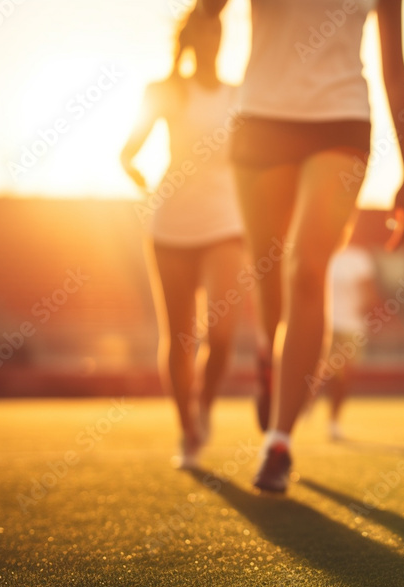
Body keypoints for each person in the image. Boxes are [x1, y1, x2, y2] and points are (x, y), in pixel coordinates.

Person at [200, 0, 404, 493]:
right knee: (268, 273)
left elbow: (394, 65)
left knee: (307, 271)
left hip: (341, 120)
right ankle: (268, 359)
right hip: (262, 121)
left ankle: (278, 442)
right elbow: (209, 9)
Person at [120, 8, 244, 470]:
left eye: (219, 28)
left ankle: (205, 405)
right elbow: (127, 152)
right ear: (192, 37)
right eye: (206, 29)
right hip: (171, 223)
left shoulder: (240, 93)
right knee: (179, 336)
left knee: (224, 333)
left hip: (227, 223)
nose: (213, 37)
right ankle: (187, 429)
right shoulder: (163, 91)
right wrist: (140, 177)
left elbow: (255, 161)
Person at [321, 243, 378, 441]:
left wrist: (367, 306)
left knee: (343, 377)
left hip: (351, 327)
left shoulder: (359, 258)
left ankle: (333, 421)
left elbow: (369, 292)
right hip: (326, 324)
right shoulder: (323, 252)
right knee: (323, 371)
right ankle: (304, 405)